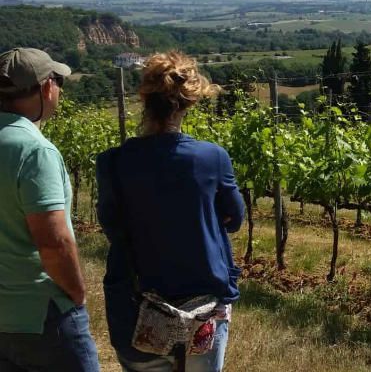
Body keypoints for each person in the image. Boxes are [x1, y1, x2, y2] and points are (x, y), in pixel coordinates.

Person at [96, 51, 245, 372]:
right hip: (202, 304)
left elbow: (112, 226)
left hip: (135, 305)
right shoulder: (212, 158)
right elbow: (234, 219)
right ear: (189, 102)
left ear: (144, 98)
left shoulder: (113, 162)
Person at [0, 47, 101, 372]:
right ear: (46, 88)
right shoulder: (33, 151)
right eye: (58, 81)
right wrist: (77, 295)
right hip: (42, 314)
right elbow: (54, 243)